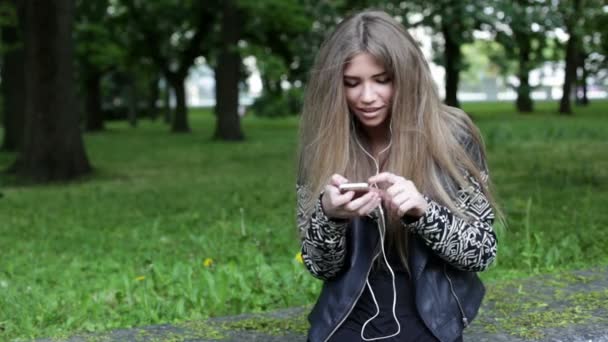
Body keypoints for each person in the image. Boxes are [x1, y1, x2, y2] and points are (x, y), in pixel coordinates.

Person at [296, 10, 500, 342]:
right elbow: (321, 267)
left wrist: (423, 213)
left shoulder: (453, 135)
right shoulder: (322, 145)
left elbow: (481, 252)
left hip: (430, 305)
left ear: (406, 76)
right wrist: (329, 216)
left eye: (382, 79)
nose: (366, 97)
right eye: (351, 83)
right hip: (350, 307)